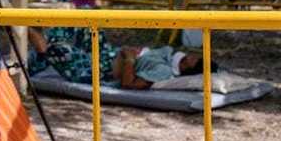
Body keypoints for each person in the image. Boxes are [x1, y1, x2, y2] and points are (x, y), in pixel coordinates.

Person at [28, 27, 213, 89]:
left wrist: (129, 59)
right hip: (107, 52)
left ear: (192, 66)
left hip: (100, 69)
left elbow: (129, 84)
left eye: (196, 58)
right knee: (85, 24)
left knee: (59, 49)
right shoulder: (168, 53)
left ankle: (38, 43)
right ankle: (41, 53)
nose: (193, 55)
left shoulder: (164, 72)